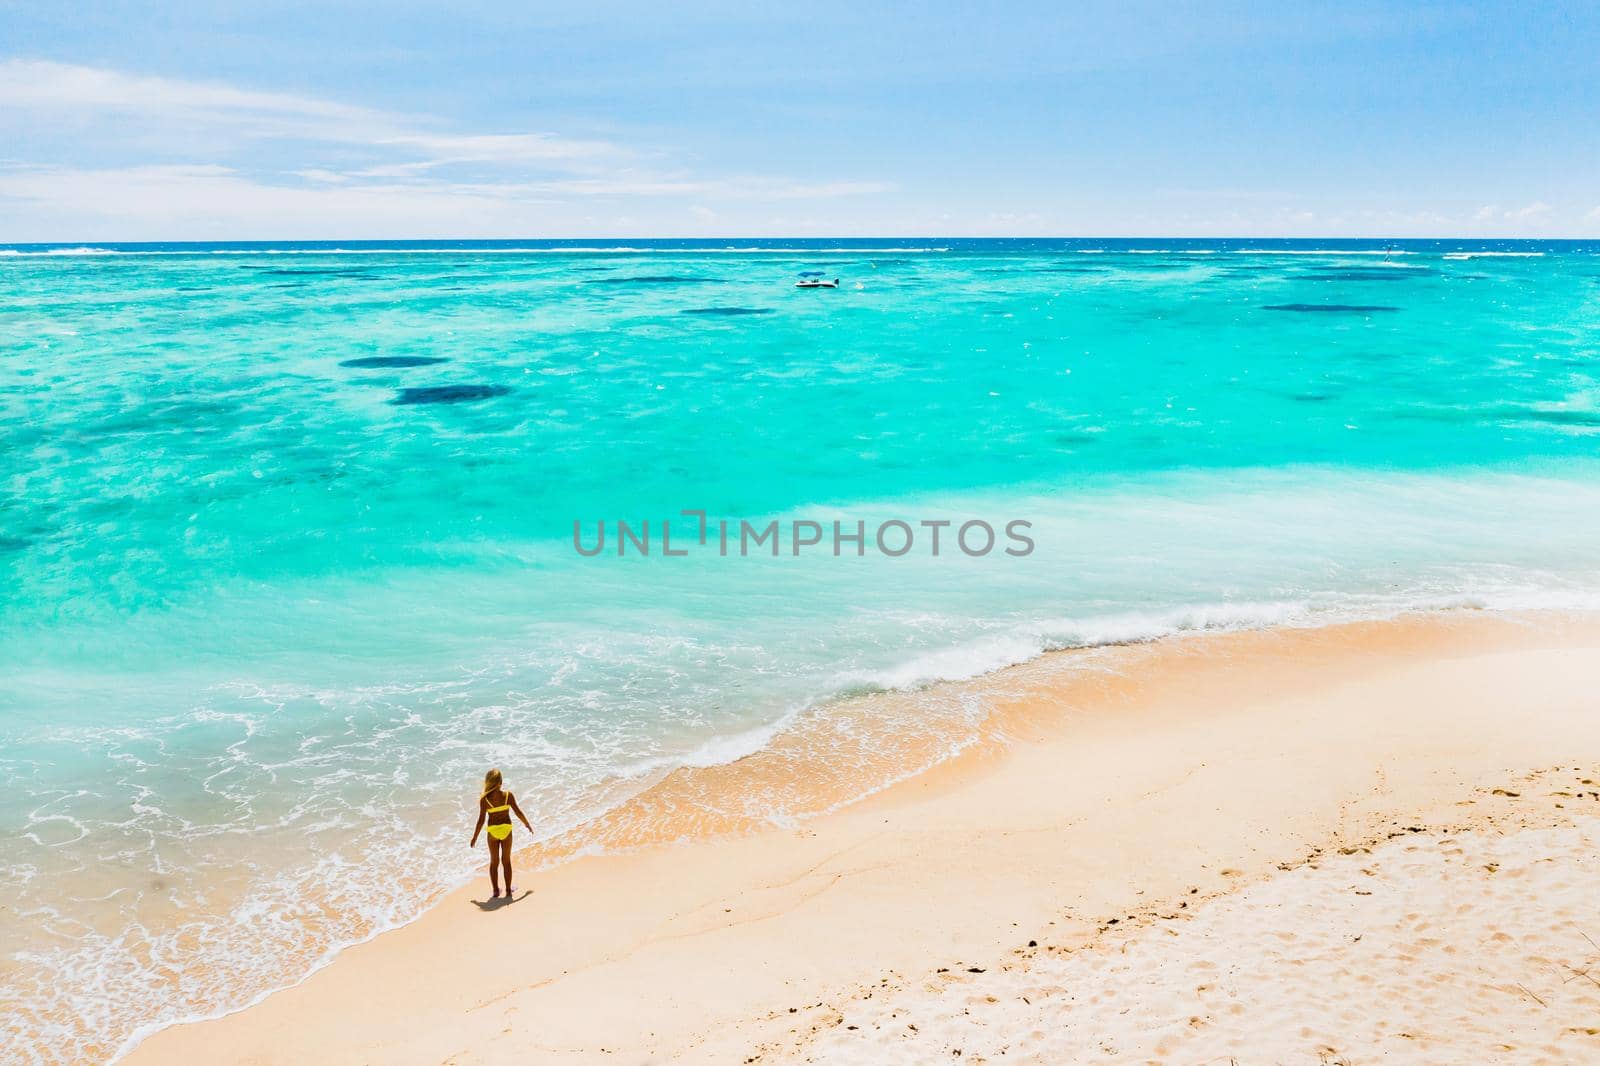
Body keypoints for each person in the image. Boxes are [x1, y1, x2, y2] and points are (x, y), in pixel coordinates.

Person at [469, 768, 533, 898]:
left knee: (494, 862)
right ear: (500, 782)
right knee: (506, 861)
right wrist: (527, 824)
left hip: (492, 832)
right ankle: (509, 890)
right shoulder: (508, 796)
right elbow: (518, 812)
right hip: (506, 831)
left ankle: (496, 890)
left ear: (488, 783)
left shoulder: (484, 800)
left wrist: (474, 837)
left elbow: (481, 820)